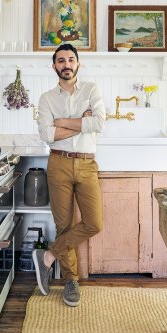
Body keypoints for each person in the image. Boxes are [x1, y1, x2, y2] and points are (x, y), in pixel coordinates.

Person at [32, 43, 106, 307]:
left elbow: (98, 123)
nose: (66, 64)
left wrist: (62, 122)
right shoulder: (46, 98)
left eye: (71, 59)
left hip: (87, 164)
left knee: (94, 223)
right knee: (63, 225)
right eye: (61, 60)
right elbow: (46, 135)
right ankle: (70, 281)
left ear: (78, 64)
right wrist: (80, 124)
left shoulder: (91, 90)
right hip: (58, 164)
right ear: (54, 66)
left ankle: (48, 255)